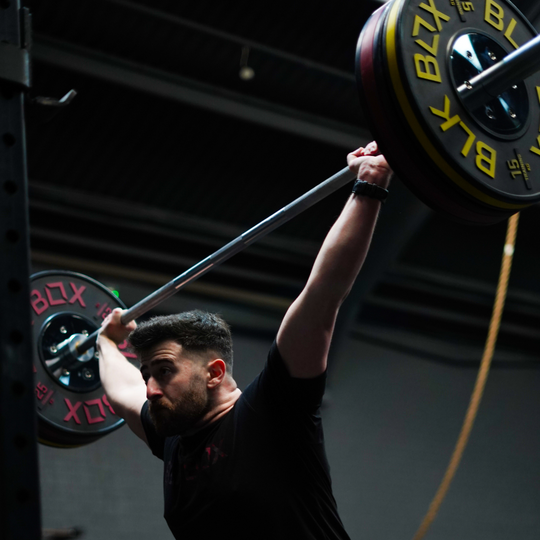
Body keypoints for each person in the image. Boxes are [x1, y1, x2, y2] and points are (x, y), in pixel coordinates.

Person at [97, 142, 393, 540]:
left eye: (164, 371)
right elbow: (122, 389)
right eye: (148, 373)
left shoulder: (272, 412)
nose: (150, 388)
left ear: (214, 372)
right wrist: (104, 342)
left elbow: (323, 293)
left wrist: (370, 183)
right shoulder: (173, 440)